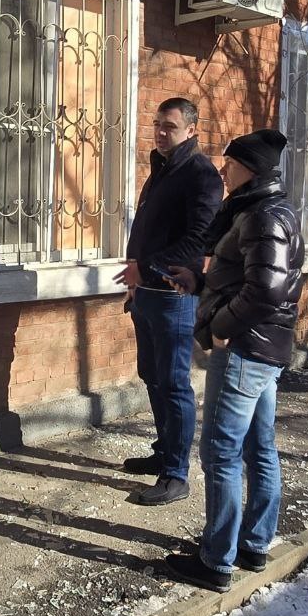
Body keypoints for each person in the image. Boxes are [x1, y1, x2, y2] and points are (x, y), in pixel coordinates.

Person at [162, 129, 304, 593]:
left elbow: (266, 291)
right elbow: (246, 279)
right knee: (259, 447)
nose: (223, 169)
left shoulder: (264, 216)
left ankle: (216, 561)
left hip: (244, 348)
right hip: (260, 347)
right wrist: (199, 283)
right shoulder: (258, 211)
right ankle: (254, 544)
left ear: (252, 169)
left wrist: (220, 327)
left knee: (221, 452)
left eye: (231, 163)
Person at [114, 97, 223, 506]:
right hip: (146, 294)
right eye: (158, 123)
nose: (160, 132)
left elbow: (199, 239)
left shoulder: (200, 174)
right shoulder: (162, 167)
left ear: (191, 130)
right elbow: (146, 231)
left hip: (174, 297)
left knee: (175, 383)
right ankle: (164, 453)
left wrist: (145, 268)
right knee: (152, 376)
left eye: (170, 126)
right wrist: (135, 279)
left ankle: (176, 475)